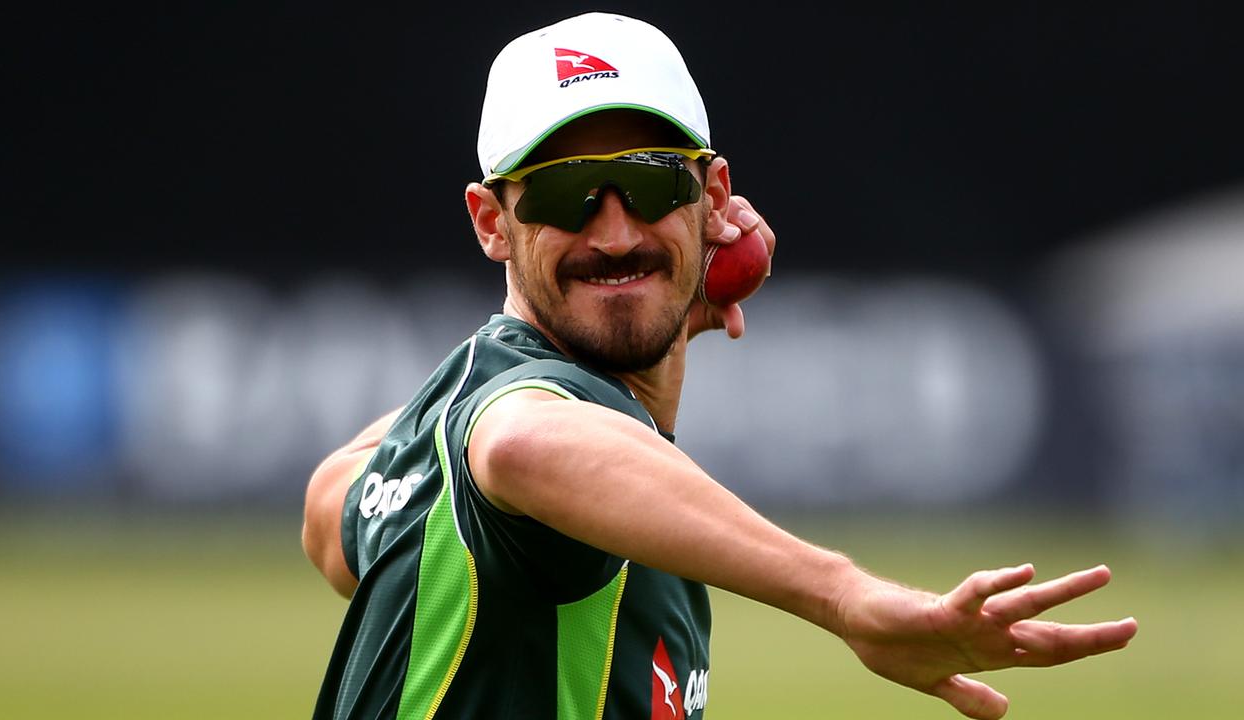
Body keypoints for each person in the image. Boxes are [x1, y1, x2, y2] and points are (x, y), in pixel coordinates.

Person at [302, 12, 1137, 720]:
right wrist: (842, 594)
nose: (617, 233)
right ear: (491, 223)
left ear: (713, 199)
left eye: (654, 183)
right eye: (564, 196)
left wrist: (655, 341)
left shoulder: (451, 414)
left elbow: (328, 505)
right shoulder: (513, 425)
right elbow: (524, 441)